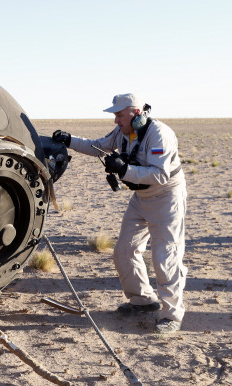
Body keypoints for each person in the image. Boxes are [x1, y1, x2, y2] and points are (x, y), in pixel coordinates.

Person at [52, 93, 187, 335]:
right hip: (141, 198)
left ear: (135, 113)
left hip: (165, 198)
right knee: (125, 249)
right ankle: (143, 301)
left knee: (165, 256)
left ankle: (172, 315)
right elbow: (99, 147)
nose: (116, 120)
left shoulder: (159, 134)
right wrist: (69, 139)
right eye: (115, 115)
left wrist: (125, 169)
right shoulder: (123, 133)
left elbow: (160, 175)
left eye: (119, 115)